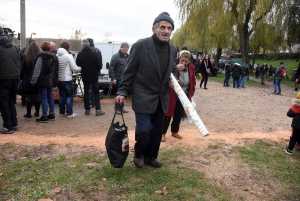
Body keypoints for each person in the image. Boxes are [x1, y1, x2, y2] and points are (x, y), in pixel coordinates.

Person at [115, 12, 179, 168]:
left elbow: (172, 70)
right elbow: (129, 71)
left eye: (169, 28)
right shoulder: (141, 46)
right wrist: (122, 91)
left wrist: (174, 79)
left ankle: (151, 157)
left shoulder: (173, 49)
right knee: (144, 130)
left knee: (156, 132)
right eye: (162, 27)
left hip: (161, 97)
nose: (166, 31)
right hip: (143, 95)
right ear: (154, 29)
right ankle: (138, 154)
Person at [162, 50, 196, 142]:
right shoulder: (173, 66)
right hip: (173, 94)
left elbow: (193, 81)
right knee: (168, 114)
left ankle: (174, 131)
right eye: (182, 60)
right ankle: (163, 133)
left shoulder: (191, 68)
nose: (184, 63)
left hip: (184, 96)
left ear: (189, 61)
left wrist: (191, 93)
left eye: (186, 61)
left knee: (178, 114)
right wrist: (176, 68)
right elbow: (166, 76)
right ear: (179, 59)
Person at [30, 41, 59, 123]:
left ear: (41, 48)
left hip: (42, 80)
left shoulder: (40, 57)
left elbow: (37, 70)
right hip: (50, 80)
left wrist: (33, 80)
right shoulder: (53, 57)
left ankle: (44, 115)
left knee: (43, 98)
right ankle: (52, 113)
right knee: (50, 96)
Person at [76, 39, 104, 116]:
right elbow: (100, 65)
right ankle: (98, 109)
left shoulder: (80, 54)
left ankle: (87, 109)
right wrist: (95, 70)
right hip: (94, 76)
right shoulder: (94, 54)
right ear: (89, 45)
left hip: (85, 75)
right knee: (96, 93)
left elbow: (78, 64)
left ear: (82, 45)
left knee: (86, 92)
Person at [0, 26, 20, 134]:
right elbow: (18, 61)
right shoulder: (13, 45)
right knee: (11, 102)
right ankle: (14, 122)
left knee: (3, 102)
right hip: (14, 77)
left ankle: (8, 126)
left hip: (3, 78)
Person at [57, 41, 81, 118]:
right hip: (67, 79)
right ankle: (69, 113)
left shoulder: (57, 56)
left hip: (59, 79)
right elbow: (74, 68)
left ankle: (61, 112)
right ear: (68, 48)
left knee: (62, 95)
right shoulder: (69, 56)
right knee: (69, 96)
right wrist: (81, 68)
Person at [20, 41, 41, 118]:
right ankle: (37, 112)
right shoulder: (39, 56)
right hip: (37, 78)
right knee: (37, 95)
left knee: (28, 96)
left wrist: (21, 77)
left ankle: (28, 113)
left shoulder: (25, 56)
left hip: (27, 78)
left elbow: (22, 68)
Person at [109, 42, 130, 114]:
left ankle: (121, 107)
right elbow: (111, 67)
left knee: (123, 94)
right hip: (118, 79)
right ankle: (117, 108)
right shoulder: (115, 57)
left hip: (126, 79)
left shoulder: (129, 57)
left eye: (126, 47)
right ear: (120, 48)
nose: (125, 49)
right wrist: (113, 78)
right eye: (123, 47)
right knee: (119, 93)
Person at [87, 38, 103, 109]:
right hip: (95, 73)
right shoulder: (97, 50)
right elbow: (100, 62)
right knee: (95, 89)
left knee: (87, 89)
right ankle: (94, 104)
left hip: (87, 73)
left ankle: (89, 104)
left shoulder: (85, 51)